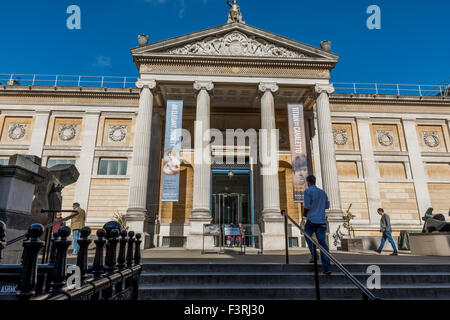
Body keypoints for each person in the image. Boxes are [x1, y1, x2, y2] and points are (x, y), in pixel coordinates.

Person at [303, 175, 332, 275]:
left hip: (312, 220)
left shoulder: (308, 192)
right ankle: (327, 267)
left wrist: (304, 214)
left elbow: (306, 206)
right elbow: (327, 206)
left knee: (307, 234)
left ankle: (314, 253)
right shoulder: (322, 192)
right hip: (322, 221)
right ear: (315, 181)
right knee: (323, 244)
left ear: (308, 182)